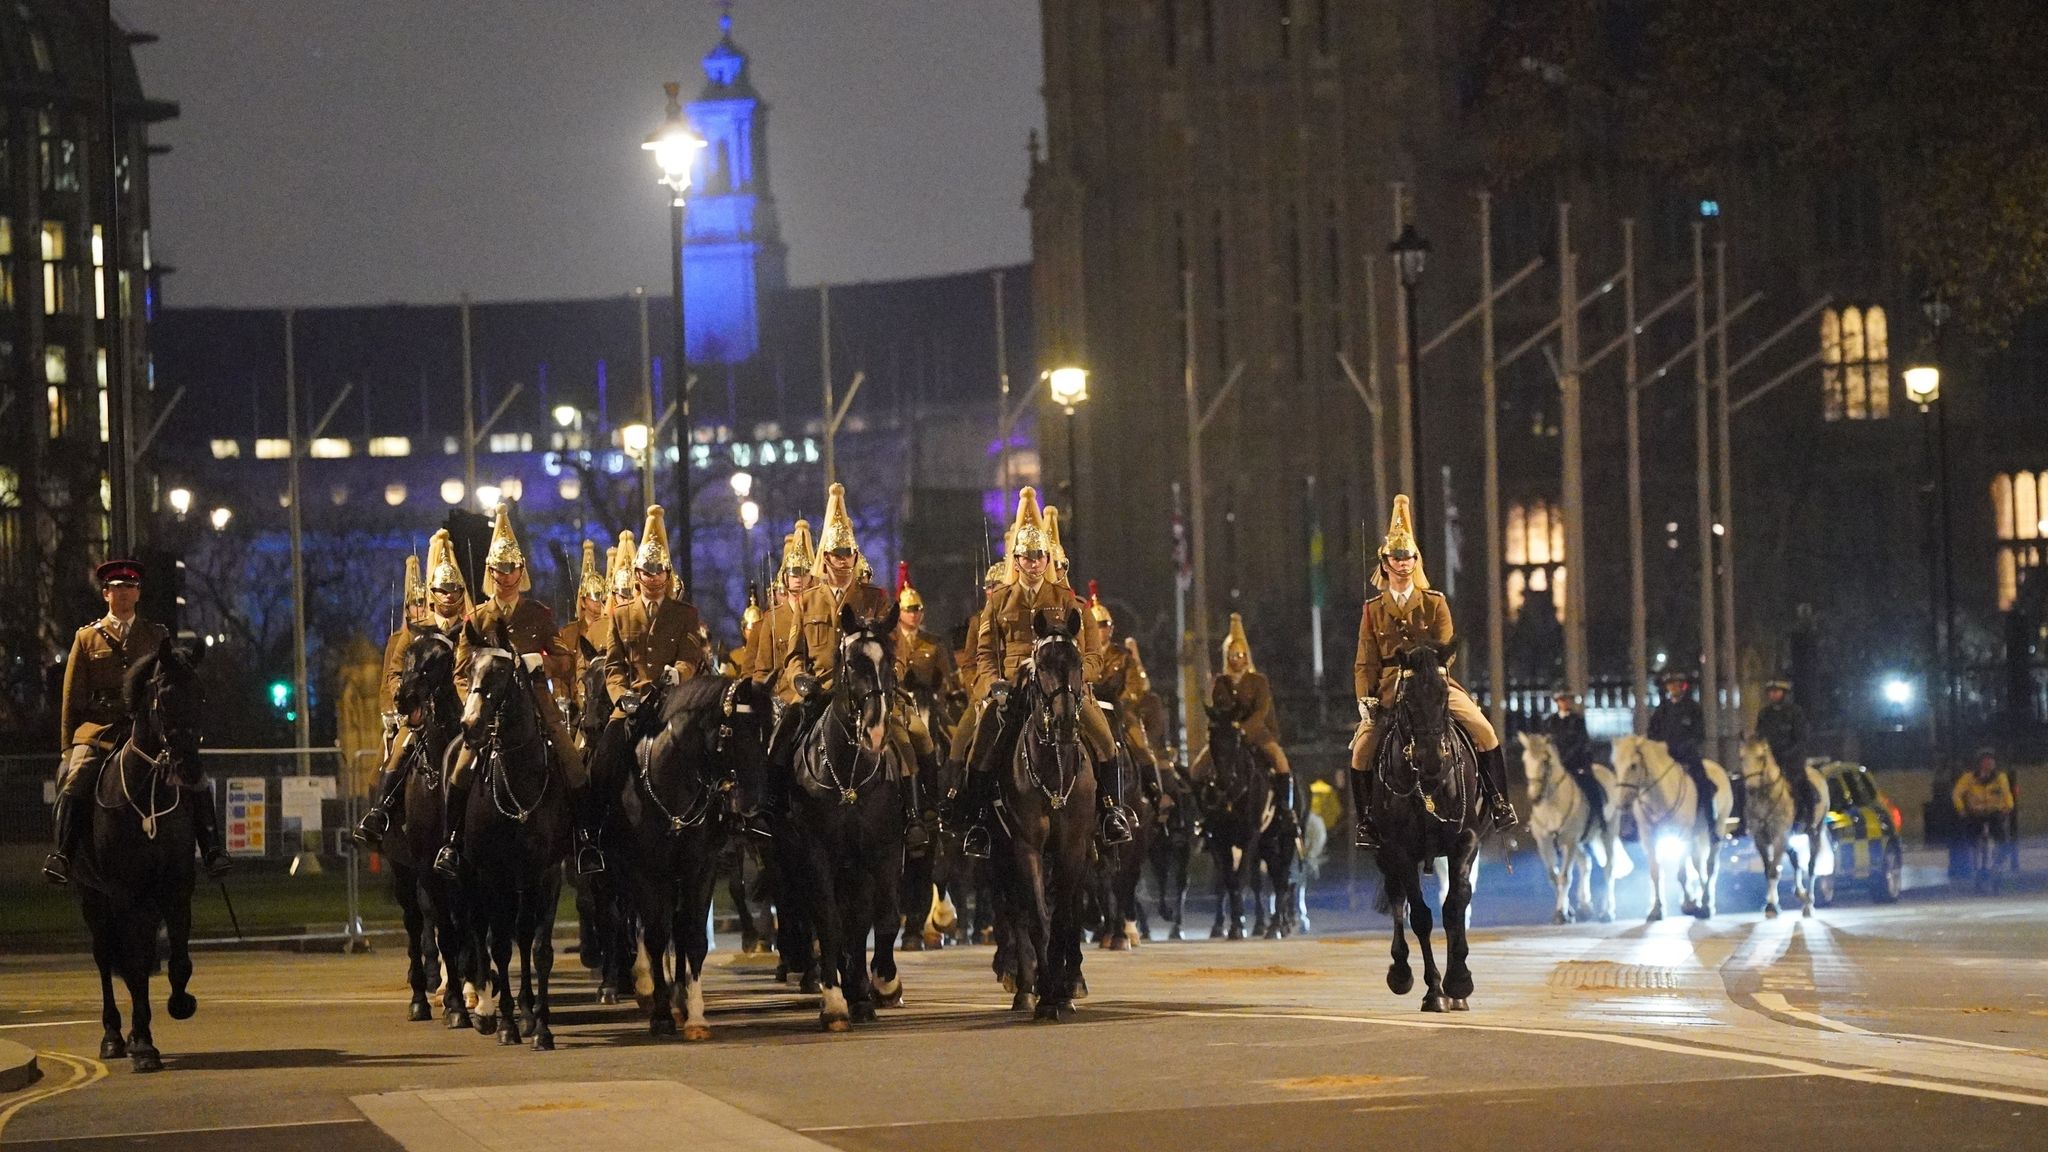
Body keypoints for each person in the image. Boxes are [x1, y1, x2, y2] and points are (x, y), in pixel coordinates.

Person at [944, 487, 1130, 858]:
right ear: (1016, 560)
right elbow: (983, 654)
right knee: (982, 743)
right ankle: (979, 819)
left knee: (1107, 742)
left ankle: (1111, 810)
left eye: (1039, 556)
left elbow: (1091, 655)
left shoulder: (1069, 602)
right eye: (1026, 557)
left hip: (1063, 690)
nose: (1033, 563)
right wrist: (990, 686)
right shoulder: (998, 602)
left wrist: (1078, 680)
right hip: (1012, 691)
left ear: (1048, 559)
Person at [763, 484, 928, 853]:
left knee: (908, 738)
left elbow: (895, 649)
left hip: (869, 692)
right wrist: (798, 679)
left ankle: (919, 815)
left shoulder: (876, 597)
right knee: (782, 734)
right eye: (836, 554)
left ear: (855, 558)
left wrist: (890, 678)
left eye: (848, 554)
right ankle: (771, 809)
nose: (842, 561)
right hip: (819, 691)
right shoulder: (807, 601)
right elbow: (793, 655)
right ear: (825, 559)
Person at [46, 559, 229, 884]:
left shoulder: (156, 635)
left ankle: (213, 849)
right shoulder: (86, 638)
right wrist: (66, 747)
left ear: (138, 593)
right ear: (106, 594)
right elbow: (71, 699)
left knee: (194, 776)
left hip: (144, 728)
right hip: (98, 731)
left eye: (130, 587)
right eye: (117, 588)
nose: (124, 594)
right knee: (76, 780)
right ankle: (63, 855)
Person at [1349, 495, 1516, 850]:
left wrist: (1428, 672)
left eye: (1408, 556)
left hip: (1433, 680)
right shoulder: (1372, 610)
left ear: (1415, 560)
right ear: (1385, 561)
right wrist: (1366, 695)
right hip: (1391, 686)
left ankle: (1499, 803)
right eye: (1396, 557)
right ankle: (1366, 820)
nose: (1403, 563)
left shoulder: (1434, 602)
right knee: (1362, 750)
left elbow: (1446, 647)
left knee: (1484, 730)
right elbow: (1365, 659)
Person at [435, 506, 584, 879]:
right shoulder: (478, 619)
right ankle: (452, 841)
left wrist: (541, 663)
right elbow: (460, 672)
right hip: (489, 713)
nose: (505, 577)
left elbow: (566, 661)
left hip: (536, 706)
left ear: (521, 571)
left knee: (571, 759)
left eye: (511, 569)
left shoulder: (538, 614)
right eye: (498, 570)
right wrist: (476, 703)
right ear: (490, 573)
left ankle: (584, 838)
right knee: (460, 767)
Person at [576, 507, 709, 874]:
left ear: (668, 575)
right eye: (647, 572)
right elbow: (614, 666)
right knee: (603, 759)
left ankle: (721, 825)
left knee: (712, 747)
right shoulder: (620, 615)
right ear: (636, 575)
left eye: (659, 572)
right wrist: (622, 696)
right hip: (633, 704)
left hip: (673, 700)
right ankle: (593, 836)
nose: (653, 579)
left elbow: (692, 655)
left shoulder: (685, 613)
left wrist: (677, 674)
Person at [355, 533, 470, 847]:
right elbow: (395, 674)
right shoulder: (414, 632)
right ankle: (380, 810)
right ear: (433, 592)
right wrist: (408, 703)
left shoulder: (472, 629)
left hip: (466, 709)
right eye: (443, 590)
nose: (449, 595)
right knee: (404, 746)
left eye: (455, 589)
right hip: (424, 712)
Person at [1211, 613, 1296, 834]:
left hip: (1257, 732)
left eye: (1241, 654)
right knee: (1199, 768)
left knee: (1280, 760)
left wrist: (1245, 728)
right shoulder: (1221, 682)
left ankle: (1286, 809)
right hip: (1228, 735)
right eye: (1233, 654)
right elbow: (1219, 708)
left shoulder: (1258, 681)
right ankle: (1208, 813)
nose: (1237, 658)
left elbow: (1262, 710)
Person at [1646, 669, 1717, 832]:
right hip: (1666, 757)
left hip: (1687, 757)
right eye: (1670, 685)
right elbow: (1652, 732)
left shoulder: (1693, 708)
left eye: (1676, 684)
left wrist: (1687, 746)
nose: (1673, 687)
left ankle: (1710, 824)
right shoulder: (1661, 709)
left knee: (1704, 784)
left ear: (1682, 686)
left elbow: (1699, 734)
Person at [1753, 677, 1819, 824]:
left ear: (1784, 693)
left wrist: (1789, 754)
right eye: (1770, 692)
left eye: (1776, 692)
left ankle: (1808, 818)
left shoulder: (1795, 712)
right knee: (1751, 783)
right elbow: (1759, 735)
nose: (1773, 695)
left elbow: (1801, 738)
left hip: (1791, 761)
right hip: (1771, 760)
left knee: (1800, 785)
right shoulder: (1765, 713)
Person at [1952, 749, 2015, 878]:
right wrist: (1962, 810)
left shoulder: (2000, 777)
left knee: (2002, 840)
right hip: (1975, 814)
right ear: (1979, 763)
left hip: (1994, 813)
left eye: (1991, 761)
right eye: (1985, 761)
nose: (1989, 764)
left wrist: (2007, 807)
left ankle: (1998, 864)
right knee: (1971, 839)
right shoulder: (1968, 778)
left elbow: (2007, 794)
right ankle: (1974, 864)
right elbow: (1956, 794)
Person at [1542, 689, 1606, 815]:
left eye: (1568, 700)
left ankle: (1599, 816)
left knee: (1590, 786)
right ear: (1557, 702)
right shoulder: (1550, 721)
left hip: (1576, 762)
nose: (1565, 703)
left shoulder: (1577, 720)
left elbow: (1582, 741)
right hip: (1556, 762)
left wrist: (1567, 757)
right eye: (1562, 700)